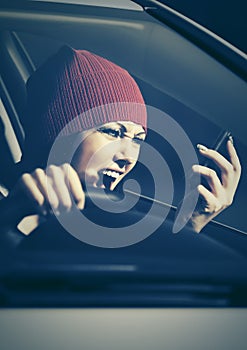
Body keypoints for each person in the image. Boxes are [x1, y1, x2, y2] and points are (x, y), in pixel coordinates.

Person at [1, 45, 242, 238]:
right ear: (57, 132)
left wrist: (191, 222)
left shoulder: (104, 221)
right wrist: (9, 216)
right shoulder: (8, 204)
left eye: (138, 139)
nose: (128, 156)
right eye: (114, 133)